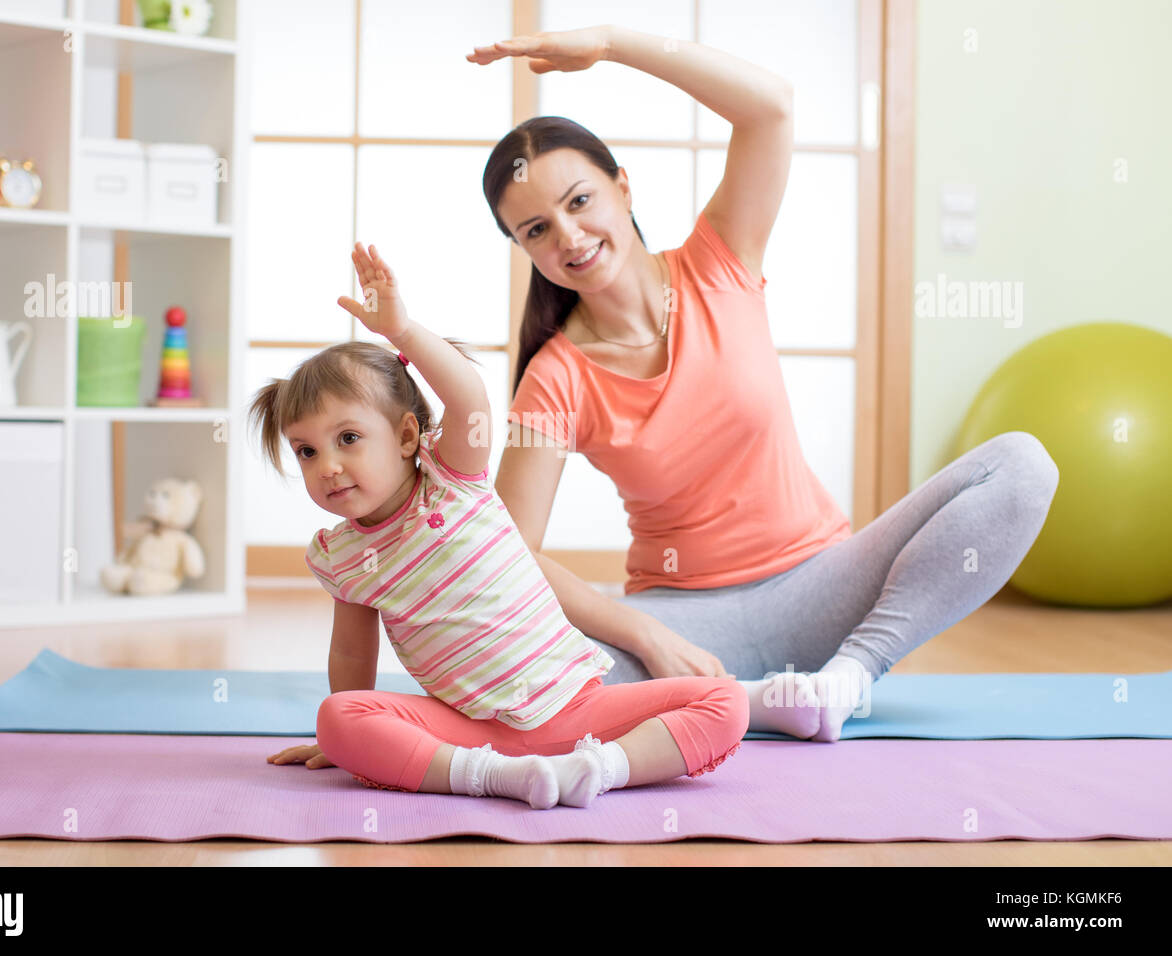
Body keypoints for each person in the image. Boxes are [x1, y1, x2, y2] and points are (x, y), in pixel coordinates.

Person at [472, 26, 1060, 742]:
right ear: (524, 250)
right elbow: (509, 553)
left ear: (622, 188)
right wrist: (646, 636)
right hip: (682, 627)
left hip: (818, 589)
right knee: (506, 673)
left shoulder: (719, 259)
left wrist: (610, 44)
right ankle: (747, 699)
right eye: (535, 229)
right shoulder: (555, 377)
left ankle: (845, 679)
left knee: (1023, 467)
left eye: (579, 200)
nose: (566, 235)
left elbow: (770, 109)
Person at [250, 241, 751, 809]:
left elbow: (469, 398)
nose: (328, 467)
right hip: (470, 733)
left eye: (347, 439)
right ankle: (496, 777)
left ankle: (600, 768)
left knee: (725, 703)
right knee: (338, 717)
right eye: (307, 452)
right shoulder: (341, 557)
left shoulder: (452, 479)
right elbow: (350, 657)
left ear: (408, 437)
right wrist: (345, 740)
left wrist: (404, 330)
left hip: (580, 709)